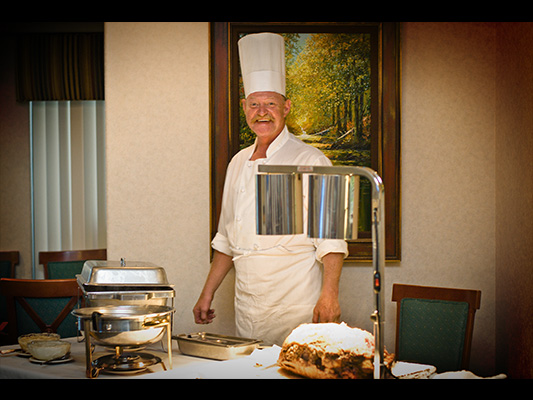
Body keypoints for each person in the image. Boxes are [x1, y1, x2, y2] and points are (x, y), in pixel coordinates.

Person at [193, 32, 348, 346]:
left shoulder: (312, 159)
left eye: (271, 104)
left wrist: (329, 296)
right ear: (244, 107)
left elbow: (332, 237)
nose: (262, 111)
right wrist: (207, 294)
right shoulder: (237, 163)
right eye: (254, 104)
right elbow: (226, 239)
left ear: (286, 107)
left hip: (296, 307)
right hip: (247, 309)